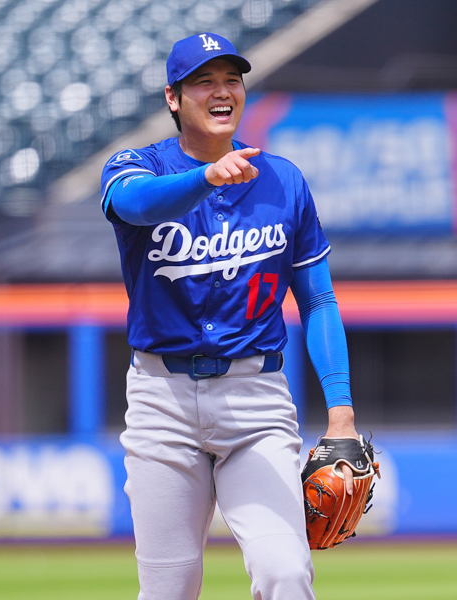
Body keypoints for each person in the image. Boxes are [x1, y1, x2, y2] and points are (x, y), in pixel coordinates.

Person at [99, 32, 359, 600]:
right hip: (162, 402)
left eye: (231, 80)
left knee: (285, 572)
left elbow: (318, 301)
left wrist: (340, 412)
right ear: (173, 98)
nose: (222, 91)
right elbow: (133, 204)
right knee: (168, 590)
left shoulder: (283, 180)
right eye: (204, 82)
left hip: (255, 400)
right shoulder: (138, 165)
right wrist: (206, 177)